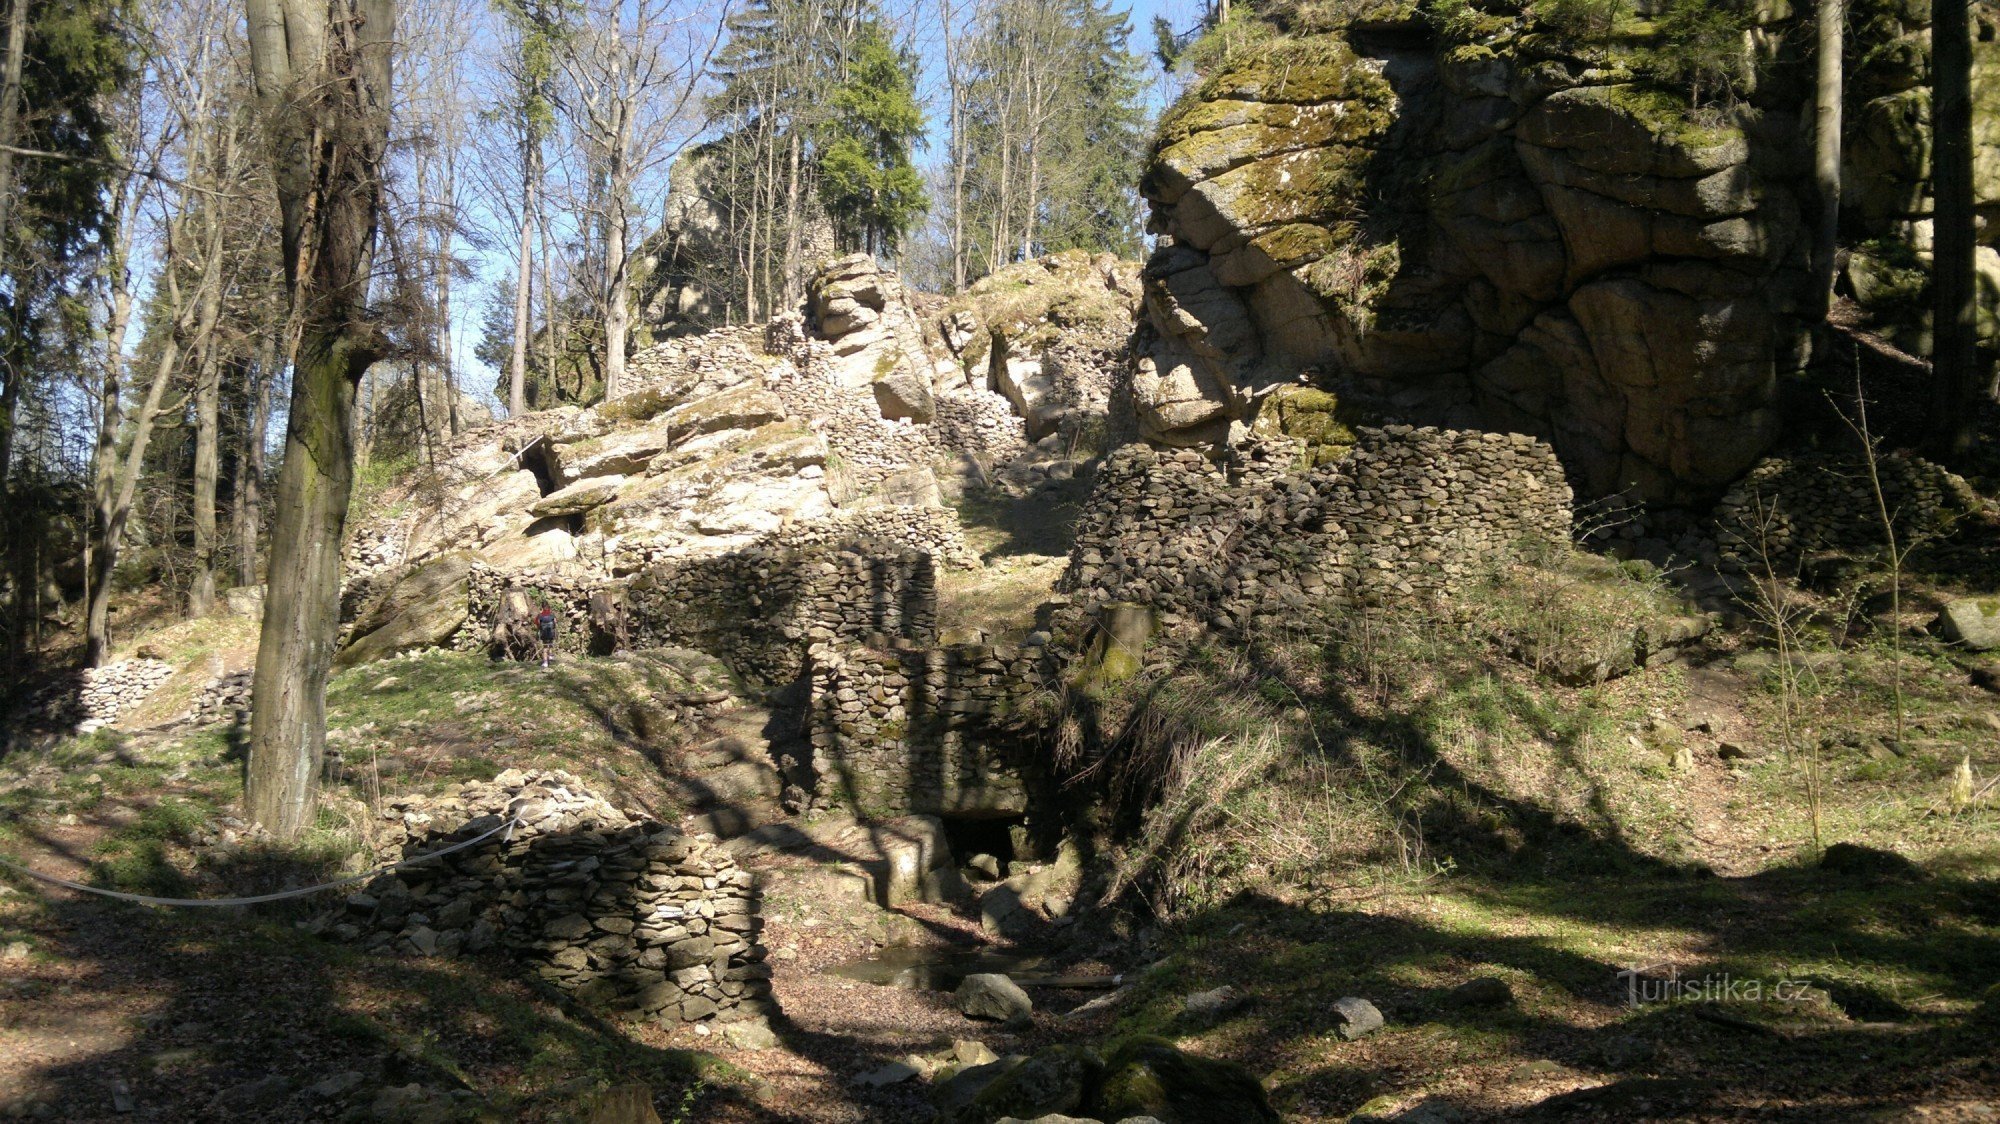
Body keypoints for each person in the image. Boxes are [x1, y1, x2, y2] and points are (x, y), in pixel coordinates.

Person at [536, 602, 557, 669]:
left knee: (545, 647)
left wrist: (539, 630)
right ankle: (550, 655)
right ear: (549, 608)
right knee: (550, 644)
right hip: (551, 633)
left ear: (542, 608)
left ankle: (545, 662)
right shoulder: (552, 615)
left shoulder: (540, 615)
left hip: (544, 634)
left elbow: (538, 624)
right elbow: (555, 623)